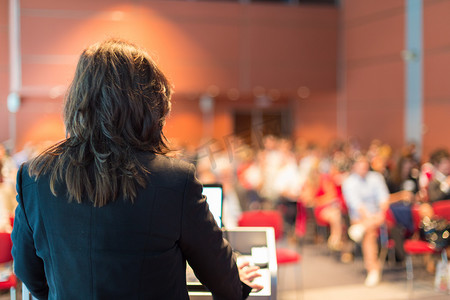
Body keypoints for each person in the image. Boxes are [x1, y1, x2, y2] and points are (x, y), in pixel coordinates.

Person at [11, 39, 262, 300]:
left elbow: (30, 275)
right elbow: (225, 286)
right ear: (150, 105)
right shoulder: (175, 181)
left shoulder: (35, 178)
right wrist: (236, 279)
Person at [342, 154, 389, 287]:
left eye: (365, 165)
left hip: (379, 215)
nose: (364, 168)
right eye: (360, 166)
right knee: (369, 232)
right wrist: (369, 219)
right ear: (354, 167)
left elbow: (383, 198)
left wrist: (379, 213)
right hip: (360, 217)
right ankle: (373, 269)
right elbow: (356, 205)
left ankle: (361, 228)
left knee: (367, 228)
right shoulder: (349, 182)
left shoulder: (376, 178)